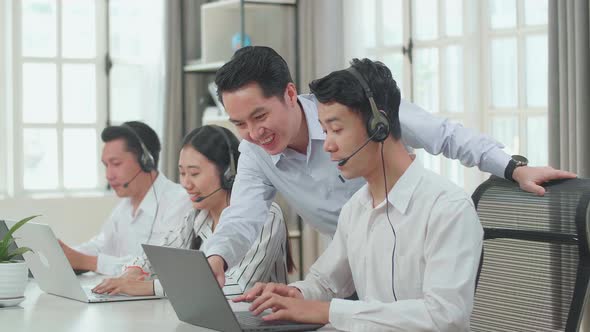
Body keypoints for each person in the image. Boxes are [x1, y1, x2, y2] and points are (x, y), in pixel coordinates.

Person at [206, 46, 575, 285]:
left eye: (259, 116)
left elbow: (444, 134)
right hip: (353, 266)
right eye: (239, 124)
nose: (253, 133)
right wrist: (216, 257)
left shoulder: (353, 106)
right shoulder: (254, 151)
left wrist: (512, 167)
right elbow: (243, 216)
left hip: (414, 258)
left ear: (288, 94)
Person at [234, 58, 483, 331]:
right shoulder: (356, 208)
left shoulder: (447, 208)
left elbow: (444, 317)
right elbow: (325, 282)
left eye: (337, 129)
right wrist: (295, 295)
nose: (327, 145)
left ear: (379, 126)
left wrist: (328, 312)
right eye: (325, 130)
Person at [90, 125, 294, 296]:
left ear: (228, 173)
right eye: (182, 173)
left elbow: (236, 287)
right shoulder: (198, 215)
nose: (186, 183)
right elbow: (161, 252)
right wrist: (133, 271)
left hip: (258, 321)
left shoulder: (266, 215)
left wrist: (148, 288)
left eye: (194, 173)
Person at [59, 121, 192, 276]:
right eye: (106, 165)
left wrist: (86, 262)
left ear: (145, 161)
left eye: (116, 164)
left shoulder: (179, 202)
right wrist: (64, 254)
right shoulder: (125, 206)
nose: (108, 175)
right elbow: (101, 245)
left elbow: (158, 266)